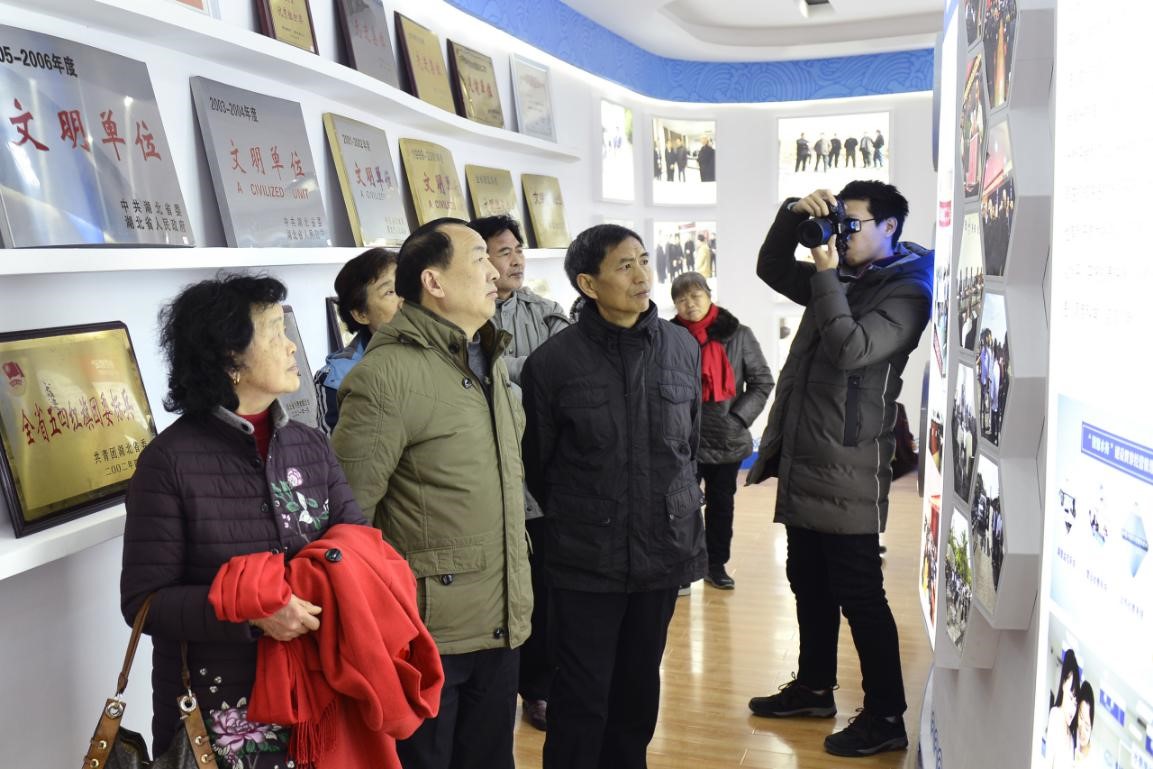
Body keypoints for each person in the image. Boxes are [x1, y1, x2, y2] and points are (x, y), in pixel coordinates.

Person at [121, 274, 369, 766]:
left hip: (314, 696)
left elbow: (356, 545)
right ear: (231, 355)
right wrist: (253, 613)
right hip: (220, 710)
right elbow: (145, 602)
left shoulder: (310, 444)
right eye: (275, 331)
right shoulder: (168, 461)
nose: (291, 345)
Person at [332, 218, 532, 769]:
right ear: (434, 282)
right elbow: (347, 519)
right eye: (478, 258)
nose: (493, 272)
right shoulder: (385, 377)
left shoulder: (487, 358)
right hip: (428, 636)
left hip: (502, 617)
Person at [745, 181, 932, 758]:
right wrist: (791, 215)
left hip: (850, 462)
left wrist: (826, 273)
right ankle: (813, 687)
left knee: (861, 594)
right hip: (807, 455)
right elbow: (772, 267)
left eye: (854, 224)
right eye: (839, 222)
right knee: (807, 579)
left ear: (889, 226)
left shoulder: (908, 289)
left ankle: (886, 717)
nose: (843, 234)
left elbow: (853, 349)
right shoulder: (845, 275)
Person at [521, 224, 706, 769]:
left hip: (662, 550)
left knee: (638, 689)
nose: (642, 275)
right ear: (588, 283)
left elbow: (688, 446)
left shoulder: (680, 346)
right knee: (581, 694)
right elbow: (539, 464)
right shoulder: (552, 363)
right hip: (586, 557)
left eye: (643, 260)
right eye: (624, 266)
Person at [469, 213, 570, 732]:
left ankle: (539, 689)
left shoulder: (547, 312)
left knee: (542, 591)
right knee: (495, 588)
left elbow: (565, 374)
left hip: (539, 474)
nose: (515, 260)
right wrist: (528, 368)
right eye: (502, 251)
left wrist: (501, 368)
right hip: (483, 476)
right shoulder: (465, 315)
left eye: (518, 250)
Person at [671, 272, 773, 589]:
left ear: (708, 295)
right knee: (680, 508)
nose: (689, 304)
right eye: (681, 299)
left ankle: (715, 565)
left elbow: (762, 381)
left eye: (695, 296)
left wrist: (737, 418)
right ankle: (683, 568)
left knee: (721, 506)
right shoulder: (668, 337)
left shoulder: (738, 334)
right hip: (681, 440)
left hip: (725, 438)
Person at [315, 248, 402, 434]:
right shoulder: (337, 378)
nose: (404, 299)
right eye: (390, 292)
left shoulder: (441, 349)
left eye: (406, 286)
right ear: (361, 314)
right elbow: (335, 448)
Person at [1044, 649, 1080, 768]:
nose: (1073, 709)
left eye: (1075, 703)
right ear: (1064, 684)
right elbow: (1048, 762)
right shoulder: (1056, 714)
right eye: (1070, 698)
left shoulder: (1071, 738)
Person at [1073, 680, 1095, 765]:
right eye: (1081, 717)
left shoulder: (1092, 760)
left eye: (1087, 725)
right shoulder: (1070, 741)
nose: (1082, 730)